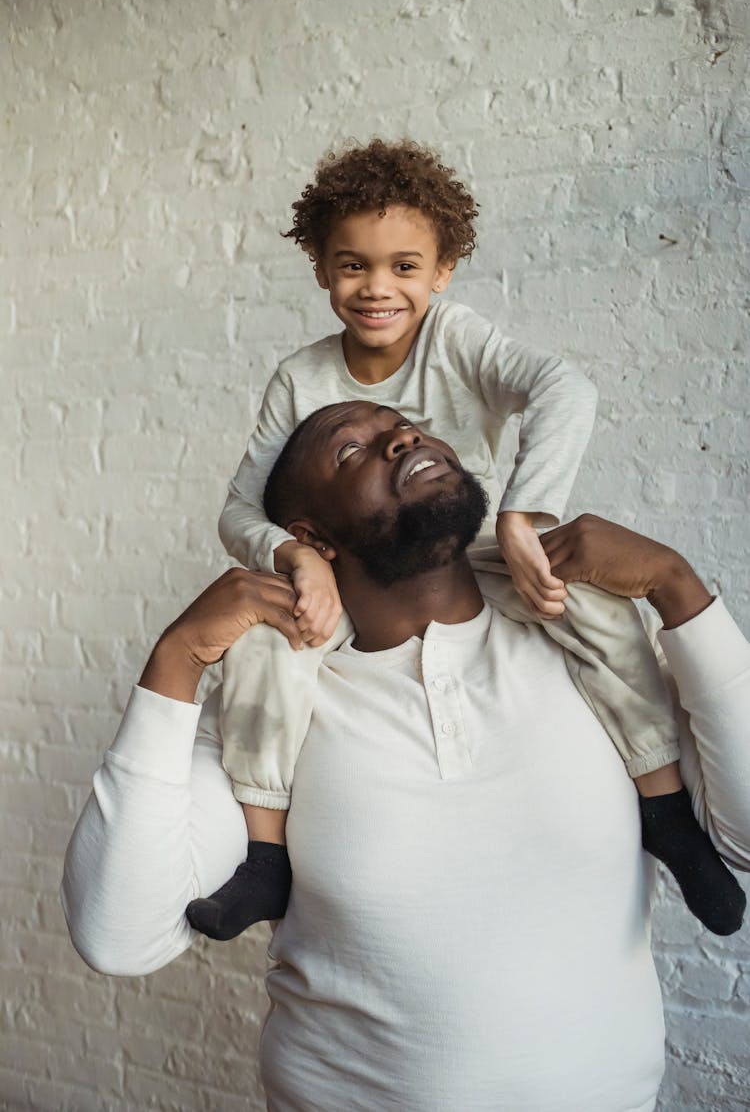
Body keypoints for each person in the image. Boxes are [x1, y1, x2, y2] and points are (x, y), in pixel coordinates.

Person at [62, 402, 749, 1112]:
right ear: (311, 538)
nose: (402, 437)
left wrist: (677, 585)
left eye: (407, 423)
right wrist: (179, 657)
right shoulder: (271, 715)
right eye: (352, 451)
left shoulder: (597, 661)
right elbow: (118, 935)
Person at [206, 139, 735, 938]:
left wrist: (525, 513)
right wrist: (298, 557)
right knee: (263, 647)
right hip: (364, 574)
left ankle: (662, 807)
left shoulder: (457, 338)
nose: (377, 288)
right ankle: (265, 856)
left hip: (479, 545)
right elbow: (239, 510)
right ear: (320, 268)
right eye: (352, 266)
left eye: (405, 266)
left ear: (443, 269)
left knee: (592, 603)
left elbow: (565, 386)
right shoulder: (300, 377)